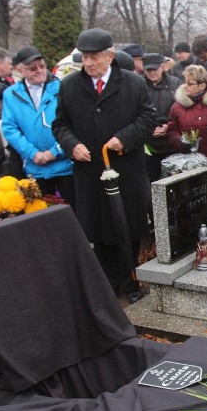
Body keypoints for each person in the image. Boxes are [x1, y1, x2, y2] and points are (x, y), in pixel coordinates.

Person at [52, 28, 157, 304]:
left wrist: (124, 138)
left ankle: (131, 281)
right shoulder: (70, 85)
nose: (88, 63)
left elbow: (148, 119)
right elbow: (60, 124)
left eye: (94, 57)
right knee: (98, 231)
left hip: (126, 171)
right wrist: (72, 144)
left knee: (127, 227)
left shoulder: (134, 83)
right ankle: (108, 284)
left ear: (110, 55)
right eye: (84, 57)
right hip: (89, 173)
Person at [1, 46, 74, 202]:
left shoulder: (63, 88)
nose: (39, 71)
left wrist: (55, 151)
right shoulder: (11, 94)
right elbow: (9, 128)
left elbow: (73, 124)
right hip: (35, 167)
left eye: (42, 66)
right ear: (20, 70)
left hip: (66, 166)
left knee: (73, 212)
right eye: (32, 68)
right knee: (41, 215)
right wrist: (32, 153)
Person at [167, 64, 207, 168]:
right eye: (185, 82)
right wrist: (180, 142)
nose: (185, 86)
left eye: (190, 83)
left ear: (202, 86)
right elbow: (172, 129)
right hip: (189, 163)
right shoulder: (177, 106)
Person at [142, 53, 182, 183]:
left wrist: (168, 127)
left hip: (170, 142)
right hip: (148, 143)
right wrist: (148, 128)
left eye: (155, 69)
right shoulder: (139, 84)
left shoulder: (175, 83)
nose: (152, 73)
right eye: (149, 70)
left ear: (163, 67)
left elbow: (181, 111)